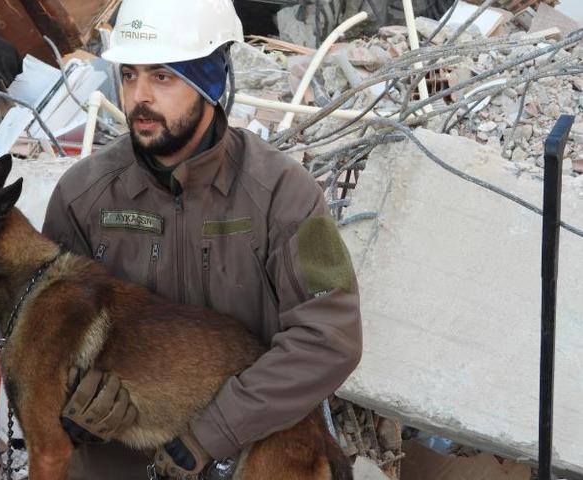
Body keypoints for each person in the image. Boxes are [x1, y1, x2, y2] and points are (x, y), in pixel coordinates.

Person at [41, 0, 362, 478]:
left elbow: (329, 337)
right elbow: (41, 330)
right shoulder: (81, 196)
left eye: (162, 77)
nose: (139, 97)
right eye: (129, 75)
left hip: (248, 450)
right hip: (121, 457)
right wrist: (69, 404)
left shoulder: (284, 194)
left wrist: (210, 434)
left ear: (209, 81)